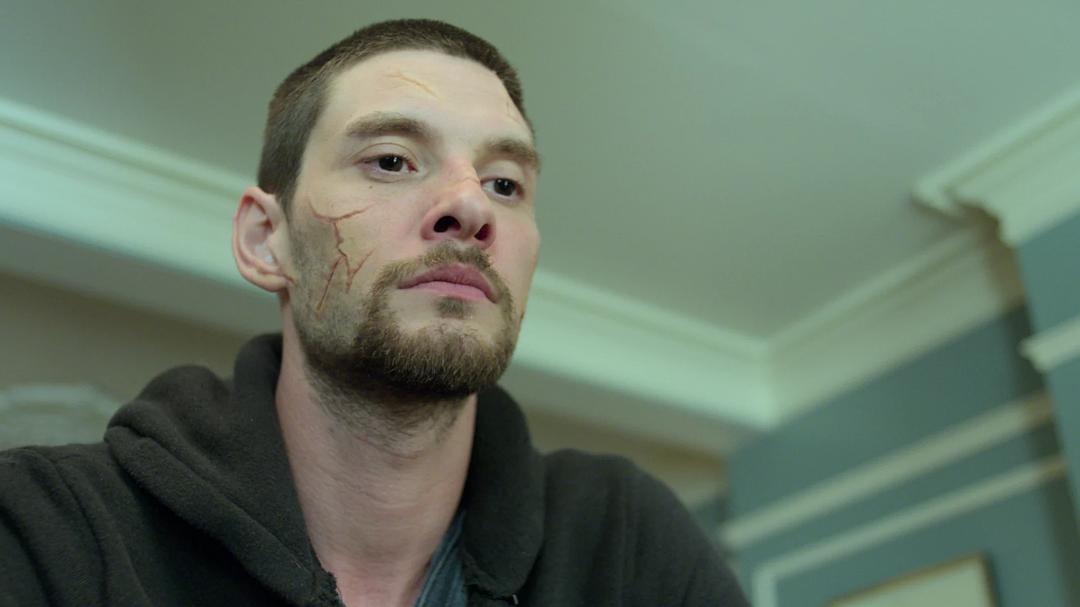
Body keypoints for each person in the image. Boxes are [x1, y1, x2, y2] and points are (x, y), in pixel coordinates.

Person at [0, 19, 749, 607]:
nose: (470, 206)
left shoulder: (625, 545)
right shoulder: (46, 528)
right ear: (266, 241)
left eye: (504, 183)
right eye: (391, 161)